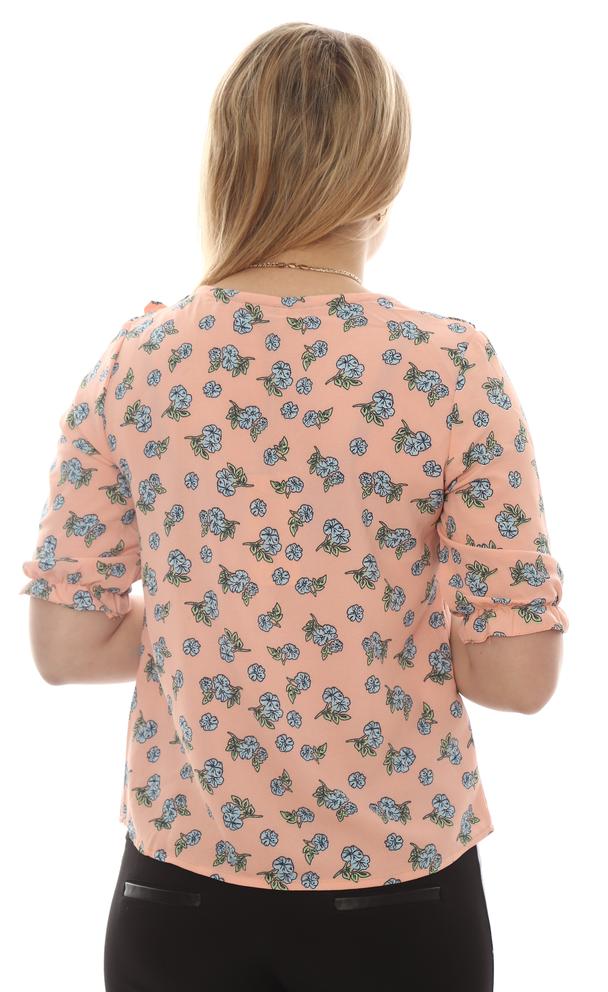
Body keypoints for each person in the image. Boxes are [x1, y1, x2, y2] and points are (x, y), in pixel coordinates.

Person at [19, 21, 569, 992]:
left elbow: (66, 647)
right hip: (400, 898)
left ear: (227, 164)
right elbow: (518, 676)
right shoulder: (448, 367)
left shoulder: (137, 362)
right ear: (384, 173)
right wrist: (360, 624)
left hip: (178, 896)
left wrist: (220, 616)